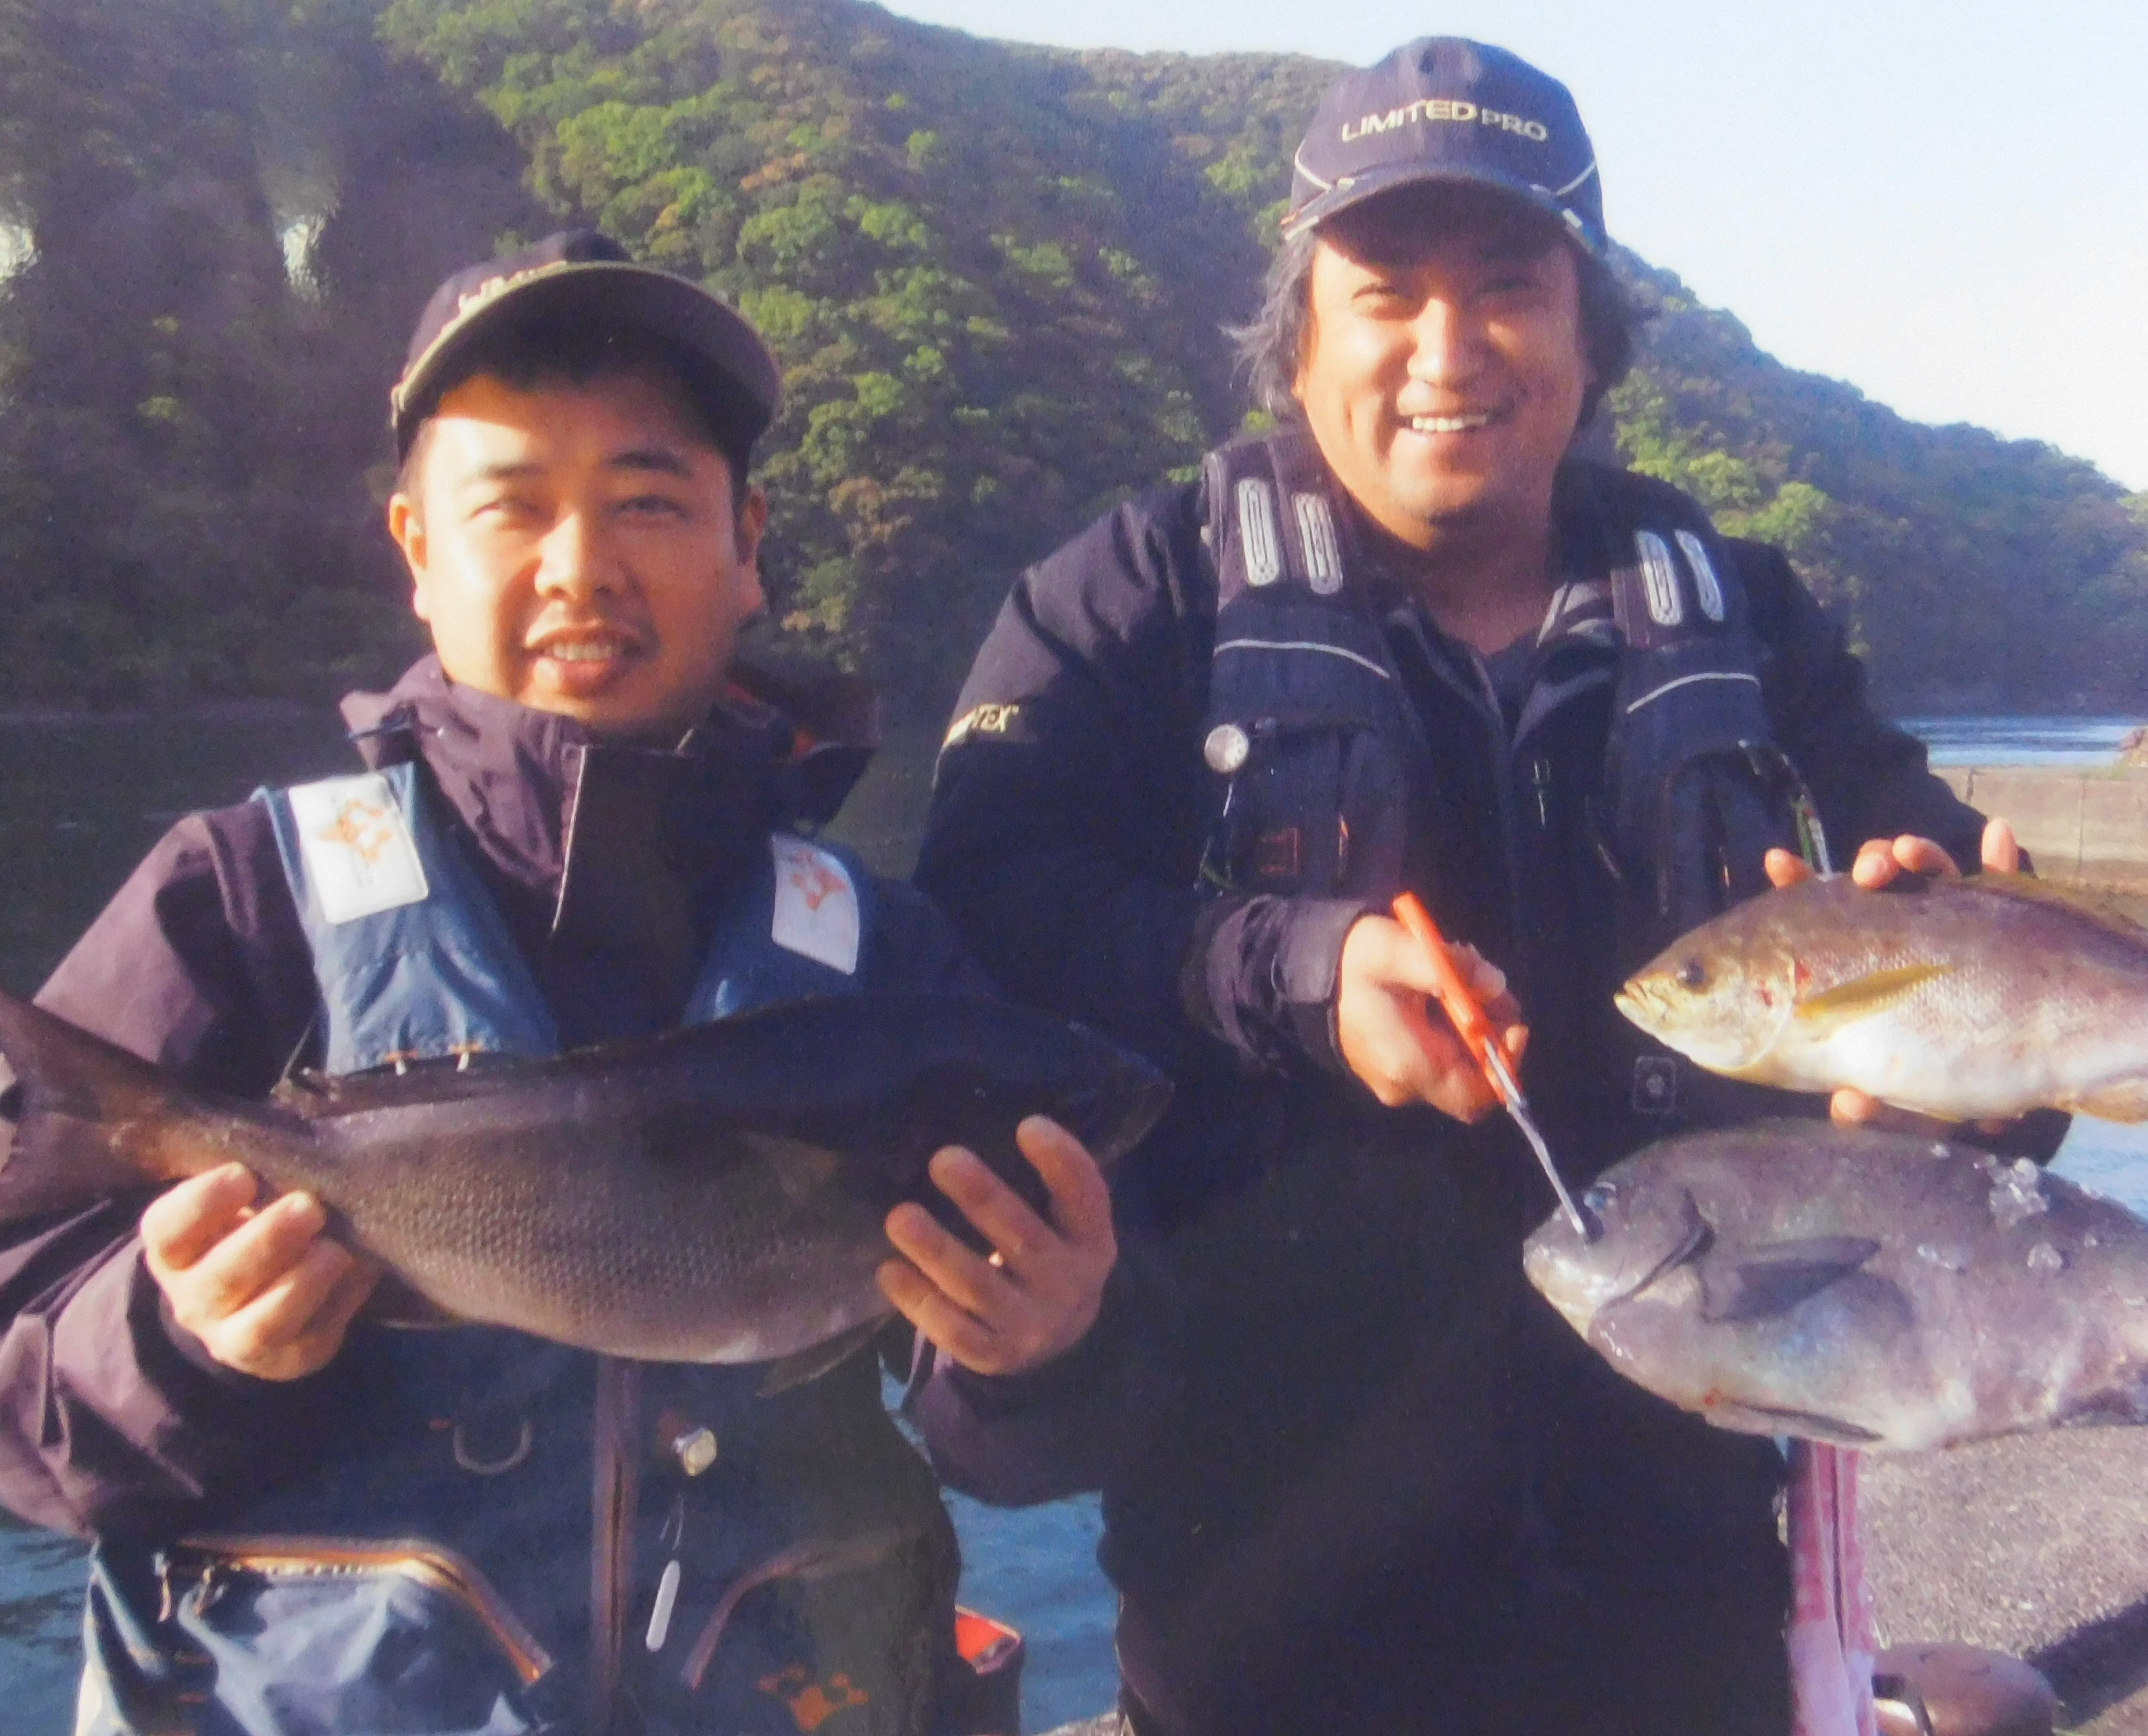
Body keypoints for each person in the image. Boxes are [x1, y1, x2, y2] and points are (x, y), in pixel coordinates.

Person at [909, 38, 2043, 1736]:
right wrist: (1294, 964)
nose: (1447, 350)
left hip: (1681, 1590)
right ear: (1297, 334)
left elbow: (1948, 897)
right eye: (1384, 293)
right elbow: (978, 911)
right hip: (1266, 1616)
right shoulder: (1134, 596)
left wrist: (1973, 1015)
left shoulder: (1736, 610)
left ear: (1590, 337)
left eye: (1509, 286)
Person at [0, 230, 1118, 1736]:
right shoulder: (242, 895)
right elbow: (21, 1410)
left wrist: (1038, 1352)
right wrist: (175, 1337)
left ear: (748, 547)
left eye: (649, 501)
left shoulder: (883, 955)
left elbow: (1006, 1451)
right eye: (511, 506)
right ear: (415, 549)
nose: (580, 564)